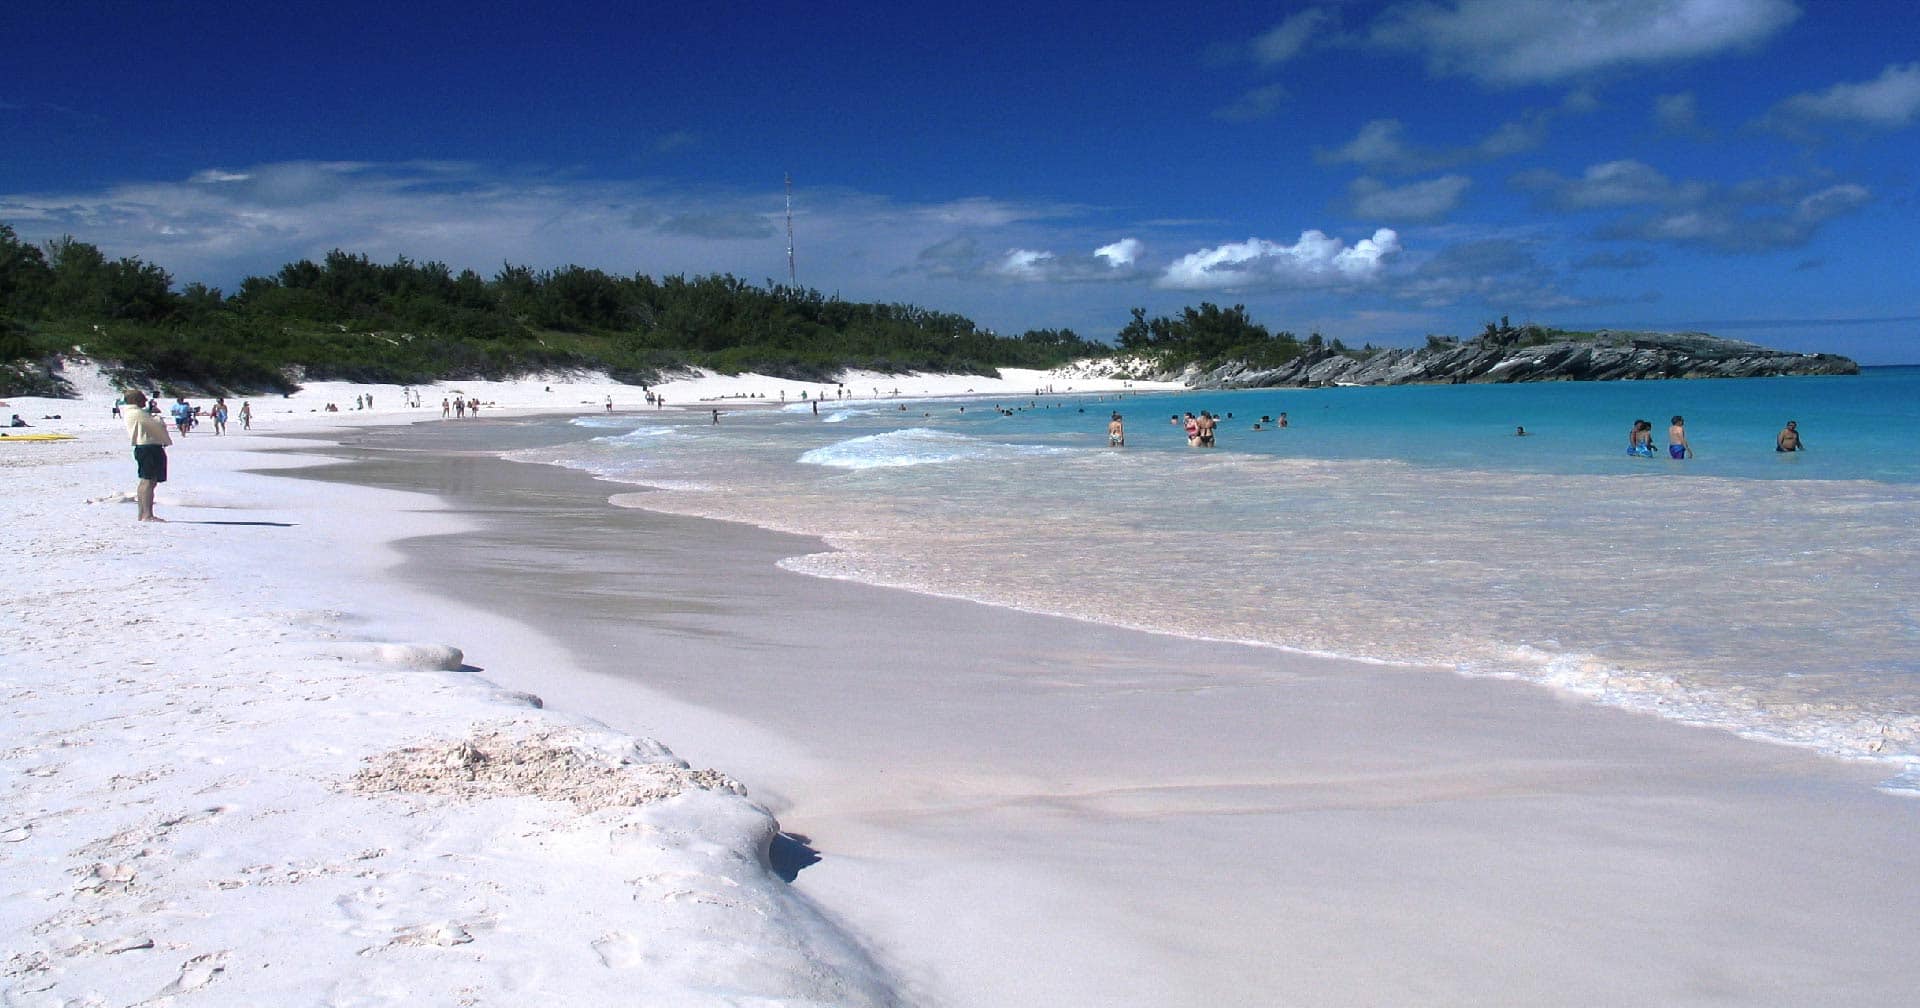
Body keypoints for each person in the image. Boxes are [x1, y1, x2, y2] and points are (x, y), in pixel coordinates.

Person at [120, 390, 172, 522]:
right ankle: (147, 514)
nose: (145, 401)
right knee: (149, 481)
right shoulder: (136, 413)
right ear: (136, 400)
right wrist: (158, 418)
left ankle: (142, 513)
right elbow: (155, 424)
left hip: (143, 447)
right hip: (148, 447)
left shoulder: (131, 412)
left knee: (146, 480)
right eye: (143, 399)